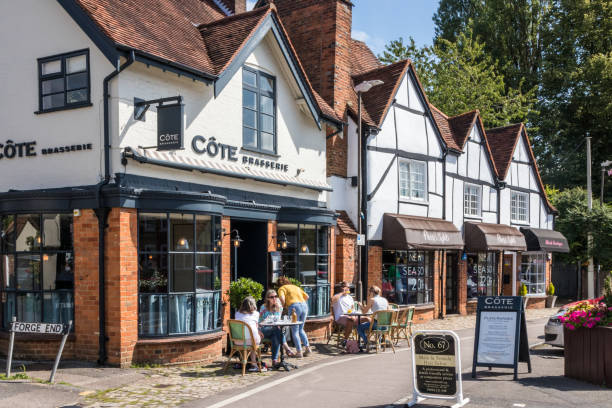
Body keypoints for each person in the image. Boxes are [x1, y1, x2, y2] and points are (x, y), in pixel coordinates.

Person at [277, 276, 312, 358]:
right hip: (304, 305)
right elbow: (307, 296)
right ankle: (307, 348)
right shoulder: (295, 287)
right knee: (301, 329)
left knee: (295, 330)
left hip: (294, 307)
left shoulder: (282, 288)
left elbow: (282, 298)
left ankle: (299, 352)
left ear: (279, 284)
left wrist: (284, 305)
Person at [259, 289, 295, 366]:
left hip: (274, 330)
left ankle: (274, 361)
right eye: (272, 297)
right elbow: (261, 321)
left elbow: (277, 320)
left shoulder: (279, 306)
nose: (274, 298)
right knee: (277, 330)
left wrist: (278, 308)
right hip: (263, 330)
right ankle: (287, 348)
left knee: (275, 336)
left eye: (276, 296)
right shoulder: (263, 307)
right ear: (267, 298)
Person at [235, 296, 266, 372]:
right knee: (255, 341)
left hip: (237, 341)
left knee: (250, 338)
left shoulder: (237, 314)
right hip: (252, 341)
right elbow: (255, 327)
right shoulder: (256, 314)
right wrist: (259, 332)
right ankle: (254, 363)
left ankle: (243, 360)